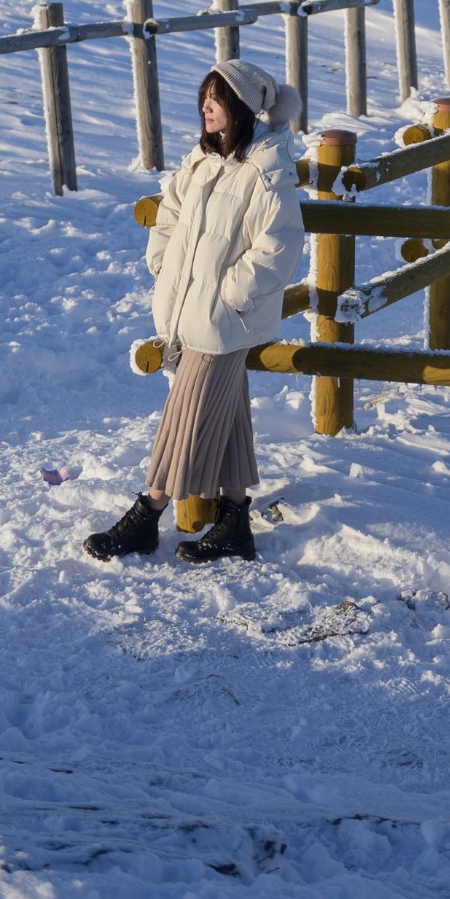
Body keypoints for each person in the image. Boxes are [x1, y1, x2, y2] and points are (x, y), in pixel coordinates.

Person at [83, 60, 305, 566]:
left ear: (243, 107)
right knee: (224, 419)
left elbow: (281, 246)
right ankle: (234, 521)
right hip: (191, 309)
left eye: (217, 98)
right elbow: (170, 213)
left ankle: (147, 514)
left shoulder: (266, 169)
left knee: (188, 414)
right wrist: (163, 264)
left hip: (227, 316)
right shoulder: (201, 163)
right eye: (203, 96)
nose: (205, 107)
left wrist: (231, 293)